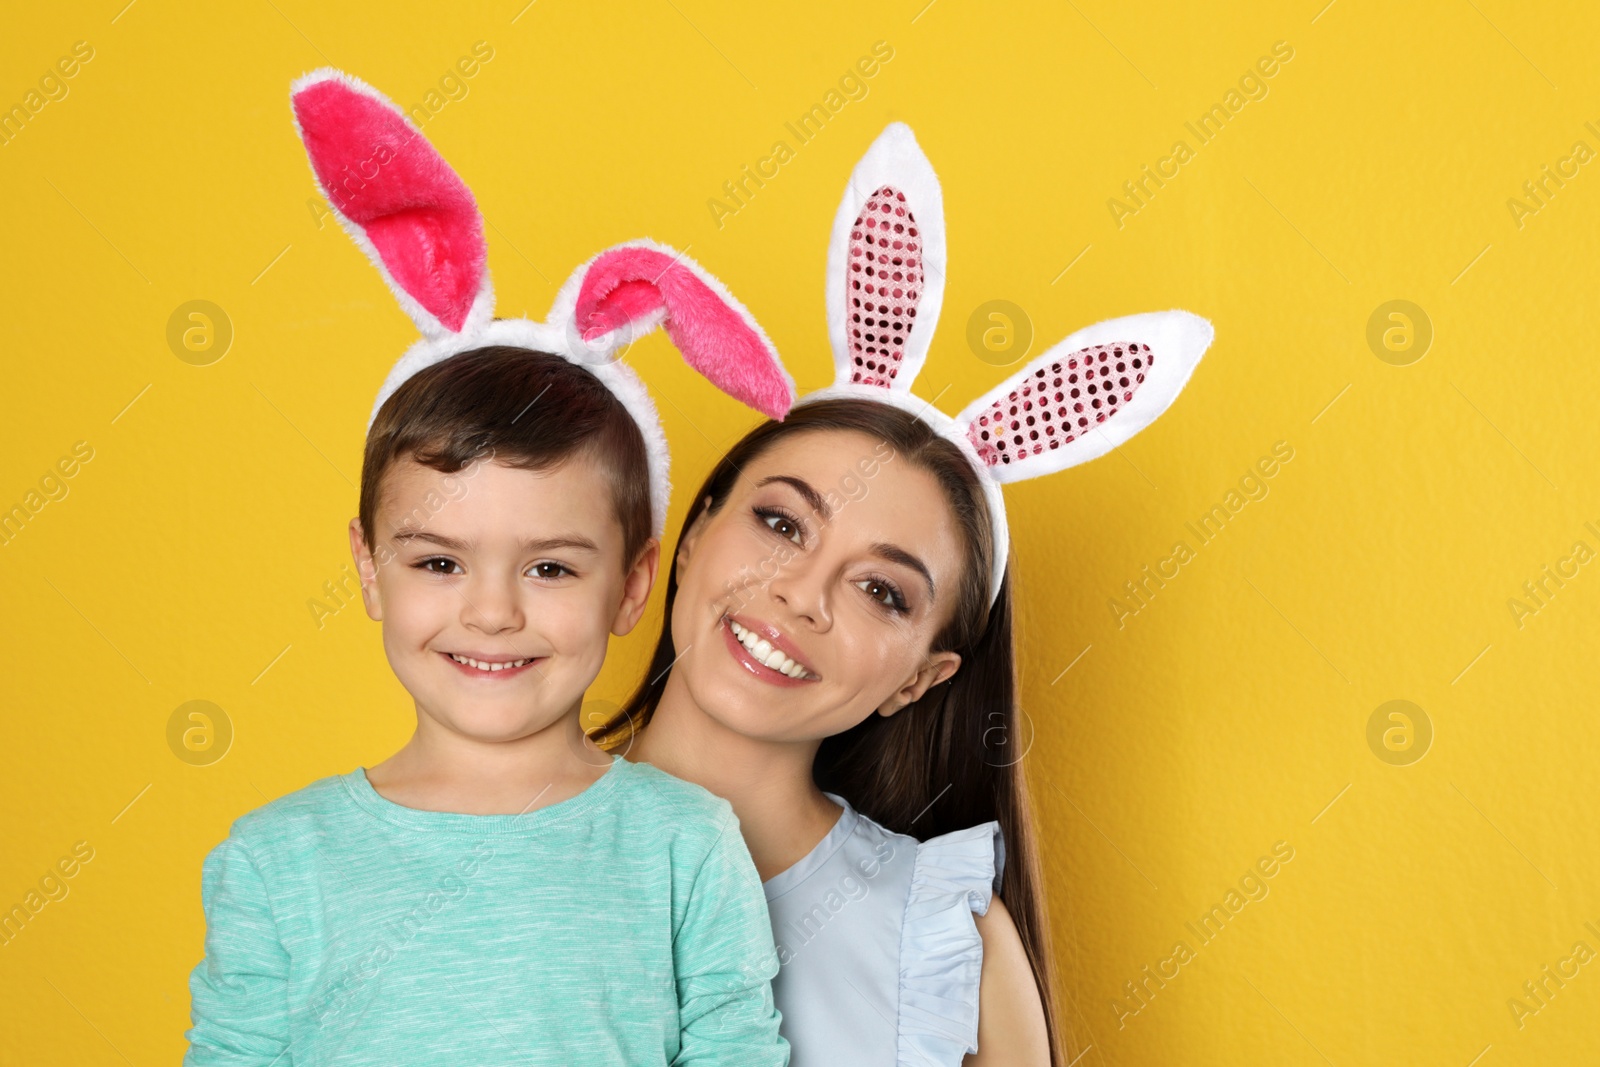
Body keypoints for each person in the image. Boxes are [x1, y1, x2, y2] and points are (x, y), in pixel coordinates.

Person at [182, 67, 798, 1066]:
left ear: (633, 585)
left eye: (551, 568)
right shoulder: (274, 860)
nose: (492, 610)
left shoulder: (685, 845)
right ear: (369, 565)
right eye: (438, 560)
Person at [594, 123, 1214, 1066]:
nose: (803, 593)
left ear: (921, 678)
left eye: (882, 590)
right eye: (781, 523)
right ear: (695, 535)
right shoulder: (469, 831)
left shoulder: (945, 941)